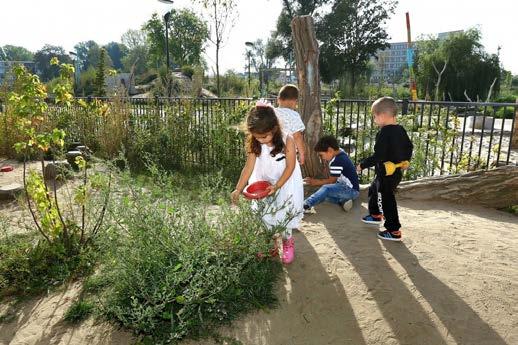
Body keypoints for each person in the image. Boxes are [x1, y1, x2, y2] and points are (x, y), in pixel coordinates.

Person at [231, 101, 304, 264]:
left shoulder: (288, 139)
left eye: (264, 136)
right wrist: (238, 188)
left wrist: (277, 185)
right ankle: (270, 245)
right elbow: (249, 166)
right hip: (263, 181)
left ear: (275, 129)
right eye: (257, 137)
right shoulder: (255, 141)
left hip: (284, 182)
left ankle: (287, 242)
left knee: (284, 213)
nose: (261, 140)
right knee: (264, 214)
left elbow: (291, 166)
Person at [357, 96, 413, 241]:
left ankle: (393, 230)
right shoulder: (400, 130)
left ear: (382, 115)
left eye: (374, 116)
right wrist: (405, 161)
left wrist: (363, 164)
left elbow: (379, 155)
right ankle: (375, 215)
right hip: (395, 172)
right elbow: (409, 147)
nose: (374, 120)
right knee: (373, 188)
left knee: (386, 199)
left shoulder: (384, 132)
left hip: (387, 173)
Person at [303, 135, 360, 212]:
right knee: (322, 195)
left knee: (325, 189)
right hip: (348, 188)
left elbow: (331, 181)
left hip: (350, 190)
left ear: (330, 150)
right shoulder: (340, 152)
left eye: (321, 155)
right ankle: (343, 201)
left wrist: (315, 182)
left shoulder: (337, 161)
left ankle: (305, 205)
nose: (322, 158)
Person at [274, 84, 306, 165]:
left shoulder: (272, 112)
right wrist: (302, 154)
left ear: (278, 99)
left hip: (271, 151)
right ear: (295, 101)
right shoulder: (294, 115)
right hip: (288, 153)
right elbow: (297, 136)